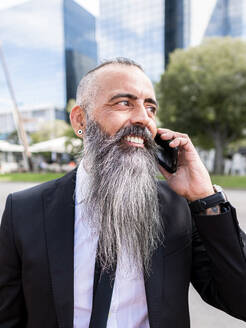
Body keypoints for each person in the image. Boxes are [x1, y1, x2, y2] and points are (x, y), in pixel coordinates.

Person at [0, 58, 246, 328]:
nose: (143, 118)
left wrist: (204, 198)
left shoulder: (179, 208)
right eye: (124, 103)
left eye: (150, 107)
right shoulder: (23, 210)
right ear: (80, 119)